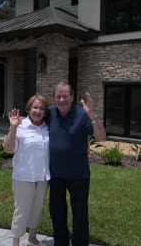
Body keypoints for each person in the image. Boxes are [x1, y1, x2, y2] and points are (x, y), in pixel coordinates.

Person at [47, 82, 106, 246]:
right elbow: (34, 121)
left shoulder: (82, 115)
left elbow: (101, 138)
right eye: (58, 96)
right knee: (57, 211)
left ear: (72, 97)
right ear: (54, 98)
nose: (61, 99)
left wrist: (92, 115)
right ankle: (61, 241)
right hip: (55, 173)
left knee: (80, 212)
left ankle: (80, 242)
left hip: (78, 174)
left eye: (65, 96)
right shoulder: (50, 114)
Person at [4, 95, 51, 246]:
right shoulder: (20, 126)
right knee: (22, 210)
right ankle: (16, 241)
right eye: (35, 107)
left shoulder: (46, 127)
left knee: (37, 208)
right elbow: (8, 149)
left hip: (43, 176)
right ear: (29, 109)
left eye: (41, 108)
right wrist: (13, 127)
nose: (38, 111)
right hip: (23, 176)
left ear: (45, 112)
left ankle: (32, 236)